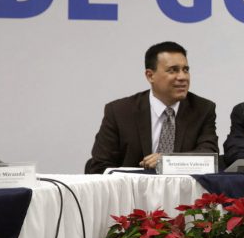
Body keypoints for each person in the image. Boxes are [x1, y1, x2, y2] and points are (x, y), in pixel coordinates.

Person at [84, 42, 217, 174]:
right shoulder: (119, 112)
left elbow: (209, 157)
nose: (182, 77)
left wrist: (168, 161)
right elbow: (100, 166)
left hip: (183, 187)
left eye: (185, 70)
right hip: (131, 186)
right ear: (150, 75)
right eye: (173, 70)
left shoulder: (203, 109)